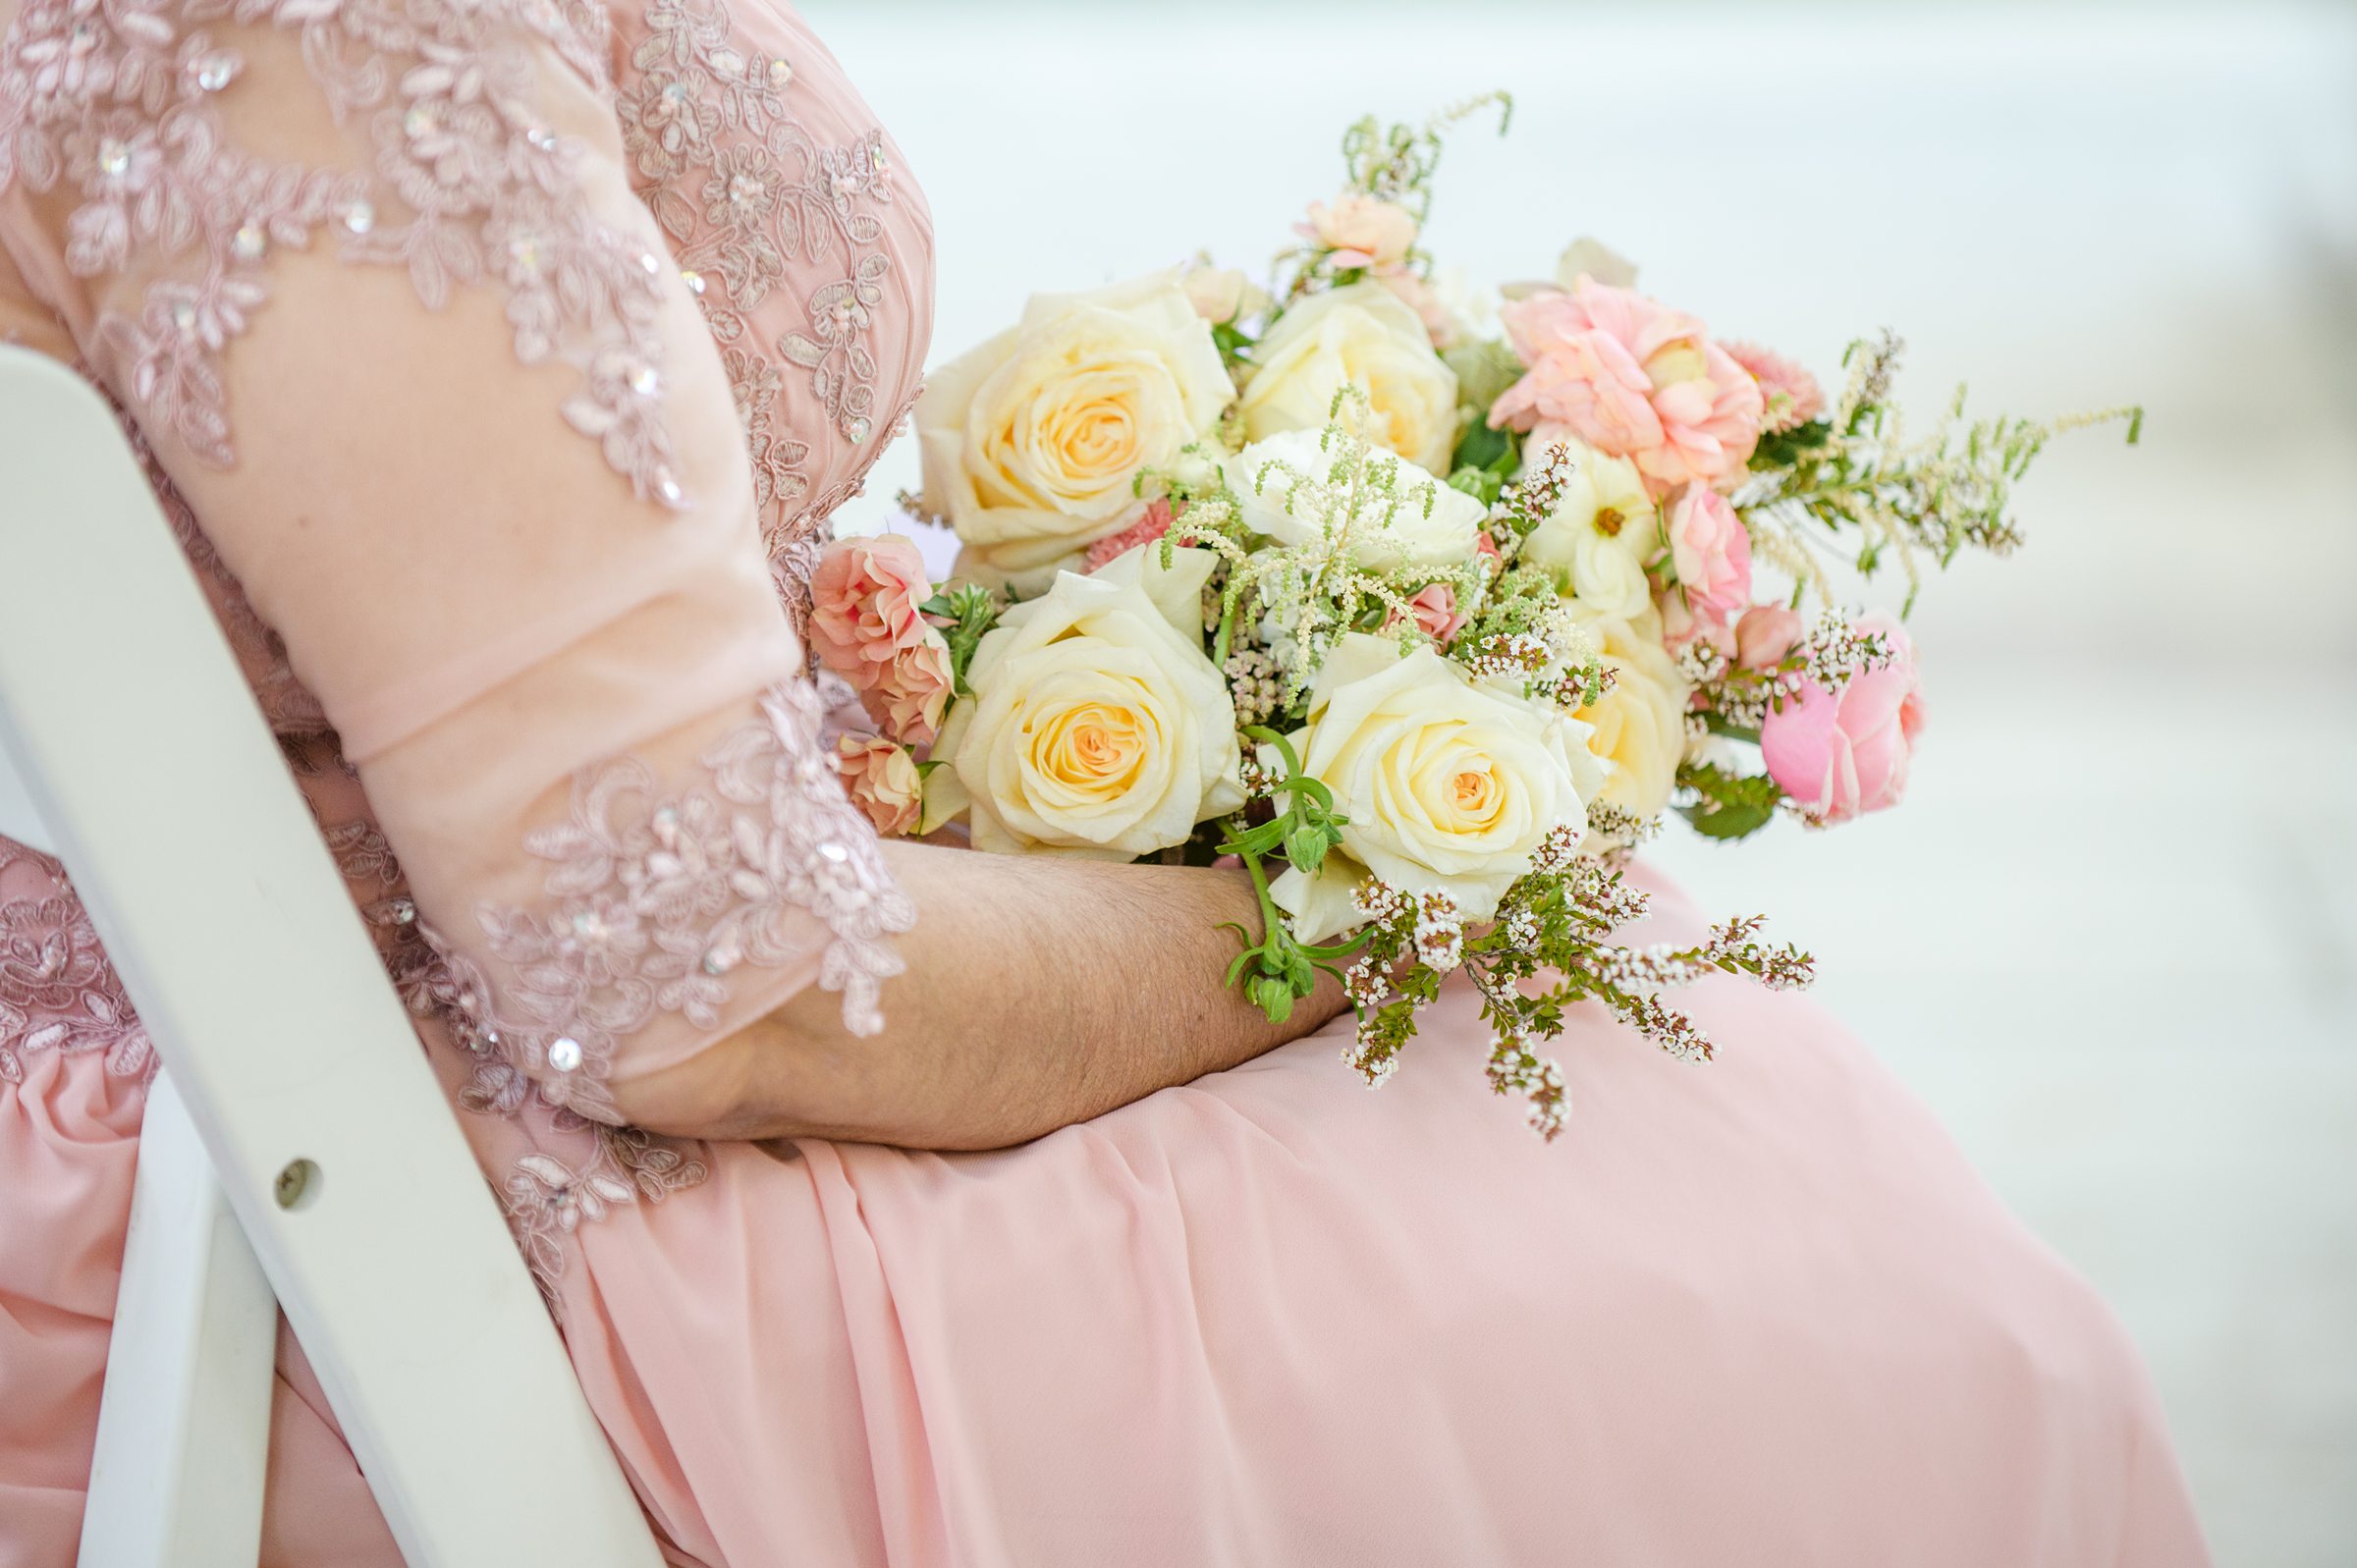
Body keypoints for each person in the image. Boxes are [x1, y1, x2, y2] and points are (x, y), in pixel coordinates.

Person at [0, 1, 2209, 1563]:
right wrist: (1317, 907)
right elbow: (713, 990)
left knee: (1700, 1084)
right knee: (1872, 1297)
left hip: (385, 1030)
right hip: (366, 1204)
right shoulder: (334, 34)